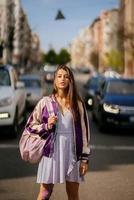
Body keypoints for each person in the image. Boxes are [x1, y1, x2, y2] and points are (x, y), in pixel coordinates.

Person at [25, 65, 91, 200]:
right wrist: (46, 126)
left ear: (70, 81)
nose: (63, 79)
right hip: (51, 152)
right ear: (54, 80)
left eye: (66, 77)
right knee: (45, 193)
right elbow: (30, 126)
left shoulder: (78, 104)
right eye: (59, 76)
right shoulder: (45, 102)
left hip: (73, 154)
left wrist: (84, 159)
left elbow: (85, 132)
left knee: (73, 194)